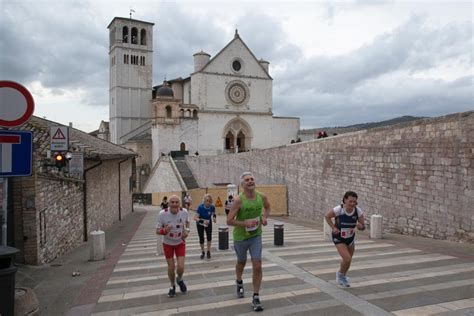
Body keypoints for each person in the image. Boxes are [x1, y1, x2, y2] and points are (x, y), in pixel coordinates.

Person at [227, 172, 270, 312]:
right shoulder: (239, 200)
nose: (250, 181)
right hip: (240, 237)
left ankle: (256, 296)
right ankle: (239, 281)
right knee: (241, 262)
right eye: (247, 180)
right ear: (242, 184)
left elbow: (268, 207)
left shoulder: (261, 197)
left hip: (256, 236)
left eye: (252, 179)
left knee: (257, 265)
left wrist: (264, 217)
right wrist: (244, 223)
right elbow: (229, 220)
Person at [325, 191, 365, 288]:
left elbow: (363, 227)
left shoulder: (358, 211)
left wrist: (360, 226)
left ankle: (342, 275)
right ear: (345, 200)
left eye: (354, 202)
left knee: (348, 260)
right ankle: (340, 276)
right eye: (350, 201)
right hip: (339, 237)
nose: (352, 204)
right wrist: (333, 228)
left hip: (350, 238)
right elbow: (327, 216)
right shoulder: (339, 209)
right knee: (347, 258)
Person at [156, 195, 190, 297]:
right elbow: (157, 230)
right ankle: (172, 285)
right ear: (169, 204)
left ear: (180, 204)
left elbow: (187, 223)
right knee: (171, 267)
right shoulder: (162, 214)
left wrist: (187, 231)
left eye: (176, 202)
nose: (174, 204)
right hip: (167, 244)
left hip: (180, 242)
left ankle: (179, 279)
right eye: (172, 202)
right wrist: (165, 230)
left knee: (180, 267)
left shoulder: (184, 212)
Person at [194, 194, 216, 259]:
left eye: (209, 201)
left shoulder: (212, 207)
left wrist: (214, 218)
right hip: (200, 223)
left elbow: (214, 213)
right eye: (207, 201)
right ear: (204, 201)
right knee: (201, 238)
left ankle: (208, 251)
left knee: (209, 237)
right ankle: (203, 252)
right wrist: (202, 221)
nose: (208, 202)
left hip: (208, 223)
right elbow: (195, 218)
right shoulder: (200, 207)